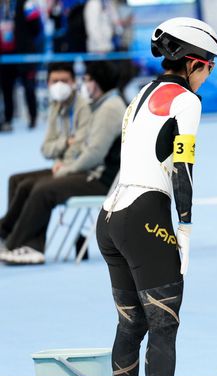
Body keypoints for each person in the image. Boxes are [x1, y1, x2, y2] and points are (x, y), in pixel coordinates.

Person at [95, 17, 217, 376]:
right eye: (208, 67)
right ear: (191, 63)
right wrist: (184, 226)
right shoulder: (186, 101)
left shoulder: (138, 95)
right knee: (163, 325)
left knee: (130, 326)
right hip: (146, 216)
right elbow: (183, 166)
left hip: (110, 216)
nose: (208, 76)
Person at [0, 61, 124, 265]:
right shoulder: (102, 104)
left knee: (43, 190)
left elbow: (94, 153)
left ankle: (18, 243)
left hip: (101, 179)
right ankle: (19, 241)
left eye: (87, 79)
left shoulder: (110, 108)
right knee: (24, 183)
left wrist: (67, 170)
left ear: (96, 82)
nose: (84, 84)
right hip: (90, 171)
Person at [0, 0, 42, 131]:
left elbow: (36, 29)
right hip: (4, 56)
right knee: (6, 89)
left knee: (29, 87)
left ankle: (33, 118)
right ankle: (8, 120)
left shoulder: (26, 4)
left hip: (24, 54)